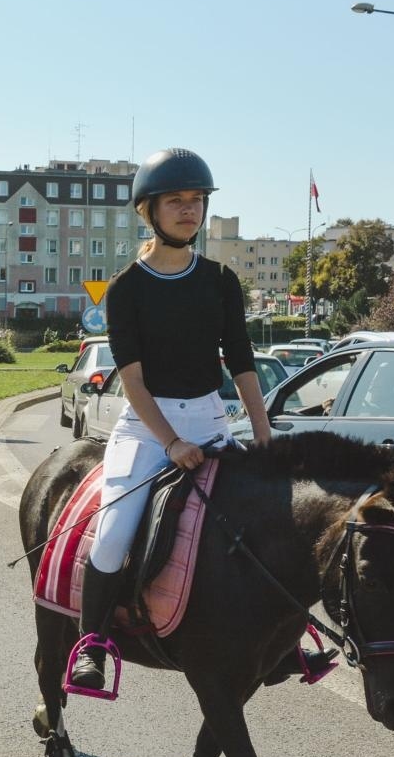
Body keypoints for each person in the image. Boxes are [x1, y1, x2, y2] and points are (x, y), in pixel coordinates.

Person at [70, 148, 270, 691]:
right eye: (177, 201)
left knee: (264, 521)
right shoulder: (127, 288)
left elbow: (243, 360)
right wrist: (172, 441)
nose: (189, 210)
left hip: (211, 421)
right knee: (112, 534)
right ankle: (92, 645)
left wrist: (264, 432)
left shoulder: (221, 280)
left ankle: (284, 640)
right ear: (149, 211)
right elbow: (132, 381)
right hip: (148, 429)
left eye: (197, 200)